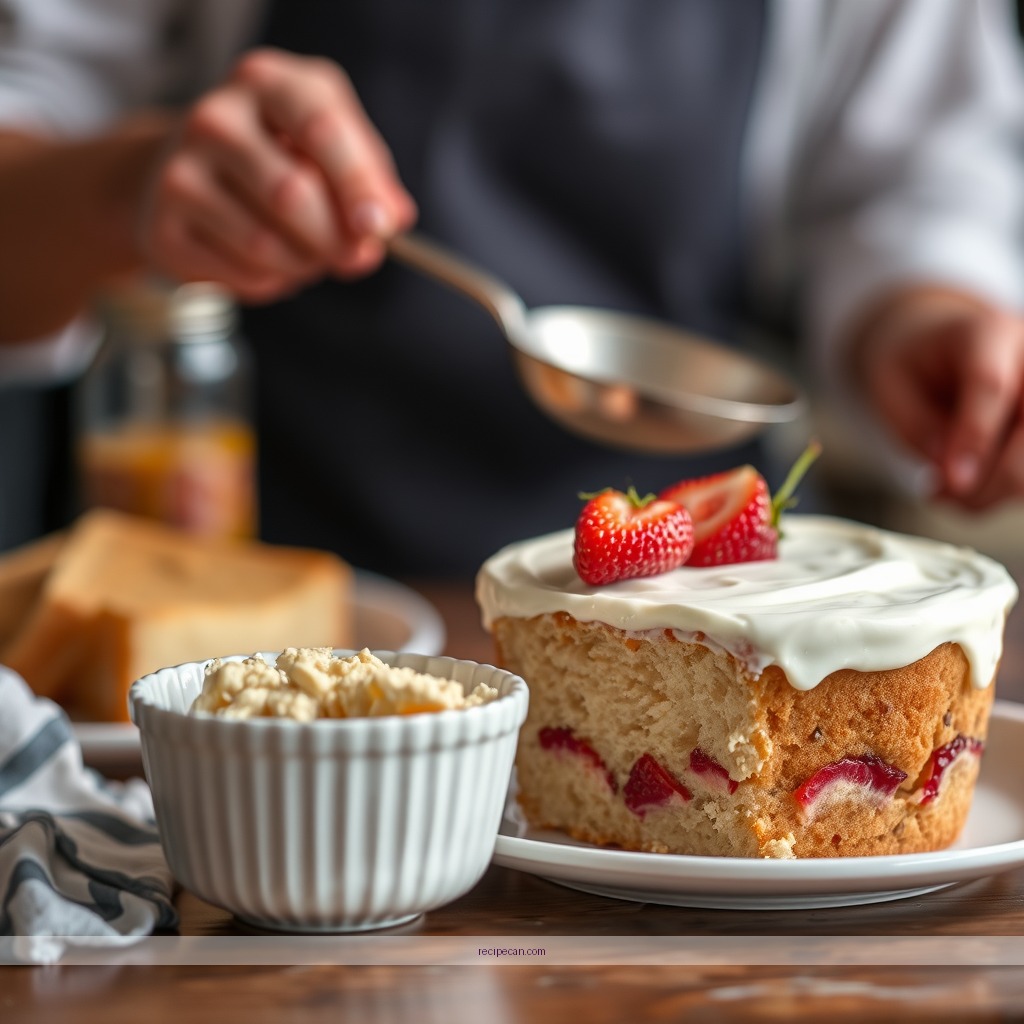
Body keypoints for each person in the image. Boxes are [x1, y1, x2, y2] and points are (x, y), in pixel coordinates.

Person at [0, 0, 1023, 575]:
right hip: (278, 591)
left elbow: (913, 179)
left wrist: (926, 317)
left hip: (704, 612)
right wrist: (125, 186)